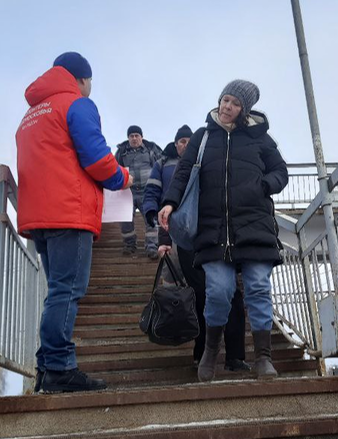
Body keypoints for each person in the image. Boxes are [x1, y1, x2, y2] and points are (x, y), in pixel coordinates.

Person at [16, 52, 131, 394]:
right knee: (68, 290)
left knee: (58, 291)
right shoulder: (76, 104)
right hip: (69, 211)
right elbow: (97, 159)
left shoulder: (31, 114)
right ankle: (60, 368)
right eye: (90, 81)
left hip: (39, 215)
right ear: (81, 78)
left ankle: (46, 367)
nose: (91, 87)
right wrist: (122, 177)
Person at [159, 80, 288, 382]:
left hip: (254, 225)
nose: (227, 106)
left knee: (257, 288)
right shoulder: (203, 137)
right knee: (218, 291)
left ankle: (264, 358)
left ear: (245, 110)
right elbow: (182, 174)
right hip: (212, 229)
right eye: (225, 99)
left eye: (235, 103)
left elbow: (280, 171)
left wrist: (262, 186)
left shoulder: (260, 138)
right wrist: (169, 203)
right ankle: (209, 353)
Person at [144, 125, 251, 374]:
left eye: (188, 141)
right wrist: (163, 237)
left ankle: (235, 356)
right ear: (176, 144)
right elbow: (163, 202)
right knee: (200, 294)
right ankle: (202, 353)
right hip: (187, 240)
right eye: (181, 141)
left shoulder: (212, 158)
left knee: (233, 294)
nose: (184, 145)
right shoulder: (167, 165)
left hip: (220, 237)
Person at [115, 125, 163, 258]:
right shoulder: (121, 152)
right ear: (128, 138)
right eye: (131, 136)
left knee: (151, 219)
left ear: (142, 137)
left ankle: (152, 247)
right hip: (127, 193)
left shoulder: (151, 150)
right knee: (125, 220)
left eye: (137, 135)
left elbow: (161, 166)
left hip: (147, 192)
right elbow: (114, 169)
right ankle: (129, 245)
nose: (134, 138)